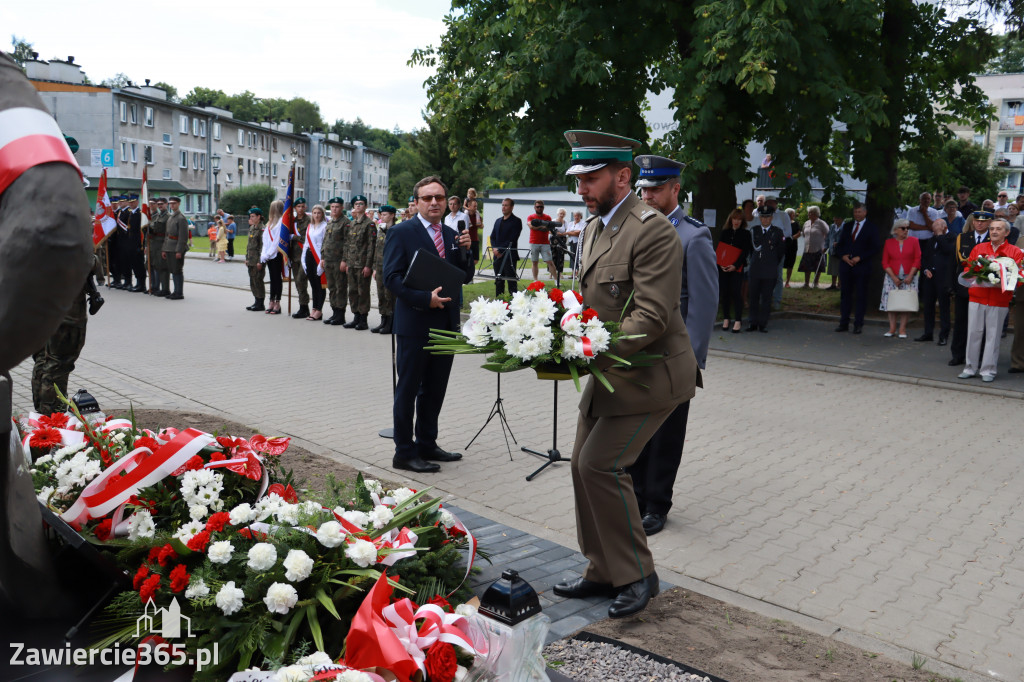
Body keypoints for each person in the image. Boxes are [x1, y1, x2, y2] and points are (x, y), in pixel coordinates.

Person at [552, 130, 698, 619]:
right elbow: (588, 302)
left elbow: (652, 318)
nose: (582, 190)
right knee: (580, 464)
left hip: (650, 374)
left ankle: (638, 575)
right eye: (579, 180)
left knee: (601, 465)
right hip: (610, 369)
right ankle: (603, 569)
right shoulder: (595, 225)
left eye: (591, 179)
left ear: (622, 176)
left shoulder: (651, 228)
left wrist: (584, 347)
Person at [0, 49, 94, 615]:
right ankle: (47, 418)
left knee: (60, 364)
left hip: (58, 300)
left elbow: (54, 225)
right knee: (51, 368)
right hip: (46, 304)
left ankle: (48, 418)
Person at [627, 153, 717, 537]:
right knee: (634, 428)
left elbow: (703, 302)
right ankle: (632, 496)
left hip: (671, 354)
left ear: (676, 189)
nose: (647, 195)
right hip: (636, 349)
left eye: (657, 189)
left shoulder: (693, 235)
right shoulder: (636, 228)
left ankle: (657, 504)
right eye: (644, 188)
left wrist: (690, 359)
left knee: (665, 433)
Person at [382, 175, 473, 474]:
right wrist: (424, 298)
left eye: (439, 198)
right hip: (415, 323)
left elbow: (465, 276)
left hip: (445, 324)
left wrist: (466, 250)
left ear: (446, 201)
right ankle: (404, 452)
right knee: (408, 390)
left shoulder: (450, 233)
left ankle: (427, 443)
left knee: (435, 389)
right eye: (427, 198)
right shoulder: (401, 233)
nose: (434, 203)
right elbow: (391, 278)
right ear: (417, 202)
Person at [957, 218, 1024, 382]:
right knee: (973, 333)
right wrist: (975, 277)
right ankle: (970, 367)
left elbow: (1019, 275)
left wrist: (1003, 280)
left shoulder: (1014, 251)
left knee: (993, 337)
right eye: (992, 228)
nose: (994, 232)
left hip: (998, 300)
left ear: (1006, 232)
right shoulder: (979, 248)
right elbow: (968, 268)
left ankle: (988, 370)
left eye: (998, 229)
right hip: (977, 297)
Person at [834, 202, 881, 334]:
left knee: (861, 295)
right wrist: (843, 256)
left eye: (859, 212)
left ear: (865, 212)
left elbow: (875, 247)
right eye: (855, 212)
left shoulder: (871, 228)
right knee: (845, 295)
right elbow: (840, 244)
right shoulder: (848, 226)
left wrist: (860, 257)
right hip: (846, 266)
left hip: (862, 266)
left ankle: (858, 324)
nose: (857, 214)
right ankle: (843, 322)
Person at [950, 212, 989, 366]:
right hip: (963, 287)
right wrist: (950, 285)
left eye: (983, 221)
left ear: (989, 223)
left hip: (983, 288)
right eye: (976, 221)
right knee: (960, 322)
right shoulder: (963, 237)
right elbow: (954, 263)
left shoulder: (992, 239)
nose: (979, 224)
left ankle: (978, 356)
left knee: (981, 324)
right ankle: (957, 355)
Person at [879, 219, 920, 338]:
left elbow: (917, 260)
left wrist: (910, 275)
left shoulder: (914, 241)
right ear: (896, 230)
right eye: (903, 228)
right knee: (891, 302)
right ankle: (892, 328)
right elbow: (885, 262)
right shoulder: (889, 243)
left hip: (909, 276)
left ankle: (902, 329)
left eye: (907, 228)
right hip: (892, 276)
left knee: (905, 302)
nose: (906, 230)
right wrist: (893, 277)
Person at [340, 195, 376, 330]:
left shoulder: (369, 224)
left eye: (361, 204)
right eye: (356, 204)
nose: (358, 206)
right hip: (352, 264)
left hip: (362, 264)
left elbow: (371, 247)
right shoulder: (352, 223)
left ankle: (363, 319)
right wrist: (346, 262)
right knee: (353, 292)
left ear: (365, 206)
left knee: (363, 292)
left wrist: (368, 265)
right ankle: (355, 317)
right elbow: (348, 244)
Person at [917, 218, 955, 344]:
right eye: (933, 230)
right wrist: (926, 269)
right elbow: (925, 257)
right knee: (928, 306)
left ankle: (943, 335)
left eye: (936, 229)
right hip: (930, 277)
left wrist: (939, 235)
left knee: (944, 307)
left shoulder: (952, 237)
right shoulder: (931, 239)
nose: (934, 232)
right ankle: (928, 332)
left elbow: (948, 250)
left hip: (944, 278)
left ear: (944, 227)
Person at [747, 205, 785, 332]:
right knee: (753, 297)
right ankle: (752, 322)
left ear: (772, 218)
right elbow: (751, 250)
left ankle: (763, 323)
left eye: (767, 217)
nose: (765, 220)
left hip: (769, 270)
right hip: (755, 270)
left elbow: (780, 252)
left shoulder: (778, 232)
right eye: (762, 217)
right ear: (760, 218)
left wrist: (772, 262)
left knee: (766, 298)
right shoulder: (754, 230)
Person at [717, 208, 752, 333]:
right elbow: (720, 249)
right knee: (725, 293)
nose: (736, 221)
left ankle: (738, 320)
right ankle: (727, 318)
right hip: (723, 268)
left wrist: (735, 265)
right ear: (730, 219)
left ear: (742, 221)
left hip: (737, 269)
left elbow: (745, 252)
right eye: (734, 219)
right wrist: (720, 264)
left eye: (739, 219)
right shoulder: (725, 232)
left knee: (737, 293)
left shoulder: (746, 234)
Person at [322, 197, 351, 325]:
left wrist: (344, 260)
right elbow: (325, 241)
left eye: (337, 207)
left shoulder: (346, 223)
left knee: (340, 288)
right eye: (332, 206)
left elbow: (348, 243)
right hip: (328, 260)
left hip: (339, 261)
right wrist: (322, 257)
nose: (334, 209)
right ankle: (334, 312)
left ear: (342, 208)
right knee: (332, 288)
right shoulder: (330, 222)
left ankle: (340, 314)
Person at [371, 205, 397, 334]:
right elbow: (377, 250)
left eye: (385, 214)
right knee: (381, 294)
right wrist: (375, 268)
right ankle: (383, 320)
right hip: (380, 267)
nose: (382, 217)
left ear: (392, 215)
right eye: (381, 215)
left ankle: (391, 323)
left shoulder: (396, 229)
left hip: (391, 267)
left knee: (389, 295)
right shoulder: (381, 229)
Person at [302, 204, 328, 321]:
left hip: (319, 257)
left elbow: (325, 244)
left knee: (319, 285)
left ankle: (319, 310)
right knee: (312, 284)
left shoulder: (325, 226)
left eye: (319, 213)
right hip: (309, 255)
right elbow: (306, 244)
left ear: (322, 214)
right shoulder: (310, 226)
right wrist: (303, 259)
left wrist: (322, 261)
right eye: (314, 213)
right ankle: (314, 308)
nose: (316, 215)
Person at [260, 199, 287, 315]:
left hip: (276, 254)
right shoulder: (269, 223)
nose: (274, 210)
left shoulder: (281, 222)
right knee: (272, 279)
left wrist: (269, 253)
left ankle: (277, 302)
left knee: (277, 279)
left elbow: (277, 241)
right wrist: (264, 254)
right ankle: (271, 300)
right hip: (268, 255)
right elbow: (265, 239)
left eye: (276, 208)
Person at [491, 197, 522, 296]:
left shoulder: (516, 221)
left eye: (506, 205)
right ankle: (499, 303)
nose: (503, 207)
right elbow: (493, 237)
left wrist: (500, 250)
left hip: (509, 257)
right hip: (497, 256)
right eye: (502, 205)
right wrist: (495, 249)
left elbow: (512, 239)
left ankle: (514, 306)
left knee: (511, 283)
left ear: (512, 207)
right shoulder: (497, 221)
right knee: (499, 282)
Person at [161, 196, 189, 300]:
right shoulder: (171, 217)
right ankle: (175, 291)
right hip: (169, 247)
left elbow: (183, 236)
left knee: (177, 270)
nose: (172, 205)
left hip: (176, 247)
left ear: (178, 204)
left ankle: (179, 292)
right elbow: (166, 235)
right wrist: (164, 248)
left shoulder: (181, 218)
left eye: (174, 203)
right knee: (172, 270)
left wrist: (179, 250)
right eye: (170, 203)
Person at [290, 198, 312, 320]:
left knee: (301, 281)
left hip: (305, 256)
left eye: (303, 206)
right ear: (295, 208)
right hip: (294, 256)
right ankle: (303, 307)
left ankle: (305, 307)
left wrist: (295, 237)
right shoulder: (291, 221)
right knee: (298, 284)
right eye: (298, 206)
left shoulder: (309, 220)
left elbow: (309, 239)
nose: (301, 209)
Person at [799, 206, 829, 288]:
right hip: (807, 248)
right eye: (808, 212)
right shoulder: (806, 223)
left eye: (810, 213)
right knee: (807, 267)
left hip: (819, 248)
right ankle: (806, 283)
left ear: (816, 214)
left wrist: (825, 246)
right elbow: (803, 233)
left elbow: (828, 234)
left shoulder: (821, 223)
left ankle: (816, 283)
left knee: (817, 267)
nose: (808, 214)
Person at [526, 199, 557, 281]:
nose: (539, 208)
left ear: (543, 207)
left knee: (550, 262)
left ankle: (556, 280)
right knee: (534, 262)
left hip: (545, 243)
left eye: (541, 207)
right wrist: (542, 227)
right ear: (534, 207)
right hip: (534, 242)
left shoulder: (547, 217)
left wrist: (538, 227)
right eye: (537, 207)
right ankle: (535, 280)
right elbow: (531, 226)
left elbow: (549, 228)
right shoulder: (531, 217)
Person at [245, 207, 267, 311]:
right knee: (252, 281)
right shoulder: (252, 228)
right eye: (250, 216)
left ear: (259, 216)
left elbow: (262, 246)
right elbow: (249, 245)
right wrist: (247, 258)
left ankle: (261, 303)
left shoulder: (262, 229)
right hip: (251, 260)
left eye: (253, 216)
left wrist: (260, 261)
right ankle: (256, 301)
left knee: (258, 280)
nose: (251, 218)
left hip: (258, 260)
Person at [147, 197, 168, 296]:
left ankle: (161, 288)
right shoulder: (158, 215)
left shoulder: (168, 216)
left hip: (161, 243)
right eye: (159, 204)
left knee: (160, 266)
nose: (160, 206)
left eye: (161, 204)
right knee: (151, 265)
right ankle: (154, 287)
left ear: (166, 204)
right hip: (153, 243)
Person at [783, 207, 801, 287]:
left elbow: (799, 233)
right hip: (783, 246)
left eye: (793, 214)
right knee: (781, 263)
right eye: (792, 214)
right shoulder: (782, 223)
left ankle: (787, 282)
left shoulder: (796, 223)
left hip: (792, 246)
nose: (794, 215)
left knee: (790, 265)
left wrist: (791, 237)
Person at [826, 213, 844, 290]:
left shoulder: (845, 227)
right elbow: (828, 237)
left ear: (841, 219)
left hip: (841, 251)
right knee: (833, 268)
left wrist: (840, 243)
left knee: (840, 268)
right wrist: (825, 246)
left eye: (836, 218)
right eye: (834, 218)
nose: (834, 220)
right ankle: (833, 284)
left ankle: (839, 285)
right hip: (832, 250)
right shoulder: (832, 226)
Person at [564, 210, 584, 277]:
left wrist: (572, 232)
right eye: (575, 216)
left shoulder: (583, 223)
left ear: (580, 216)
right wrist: (574, 232)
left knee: (578, 256)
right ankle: (573, 272)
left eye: (577, 216)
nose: (576, 217)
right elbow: (567, 232)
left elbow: (579, 233)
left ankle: (578, 272)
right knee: (572, 256)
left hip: (579, 242)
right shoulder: (571, 223)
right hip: (572, 241)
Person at [464, 197, 482, 272]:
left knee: (476, 260)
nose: (476, 208)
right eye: (474, 206)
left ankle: (469, 272)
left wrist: (480, 224)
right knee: (467, 258)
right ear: (469, 206)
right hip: (467, 240)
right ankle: (469, 275)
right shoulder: (464, 215)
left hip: (475, 239)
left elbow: (481, 226)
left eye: (476, 206)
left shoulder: (477, 215)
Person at [550, 207, 569, 279]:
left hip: (562, 240)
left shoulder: (566, 222)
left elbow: (567, 231)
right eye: (561, 213)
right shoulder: (553, 221)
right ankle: (551, 273)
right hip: (553, 239)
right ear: (558, 214)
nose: (562, 215)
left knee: (561, 256)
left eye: (563, 214)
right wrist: (555, 233)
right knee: (553, 256)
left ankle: (560, 273)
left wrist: (561, 234)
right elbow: (549, 230)